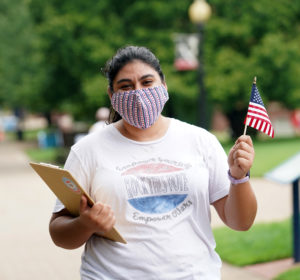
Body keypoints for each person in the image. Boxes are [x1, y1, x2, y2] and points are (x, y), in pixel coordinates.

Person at [49, 46, 257, 280]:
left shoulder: (200, 141)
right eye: (126, 86)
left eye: (147, 82)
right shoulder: (88, 150)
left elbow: (241, 222)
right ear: (111, 95)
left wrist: (239, 178)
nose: (138, 93)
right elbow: (59, 231)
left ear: (164, 86)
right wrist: (85, 224)